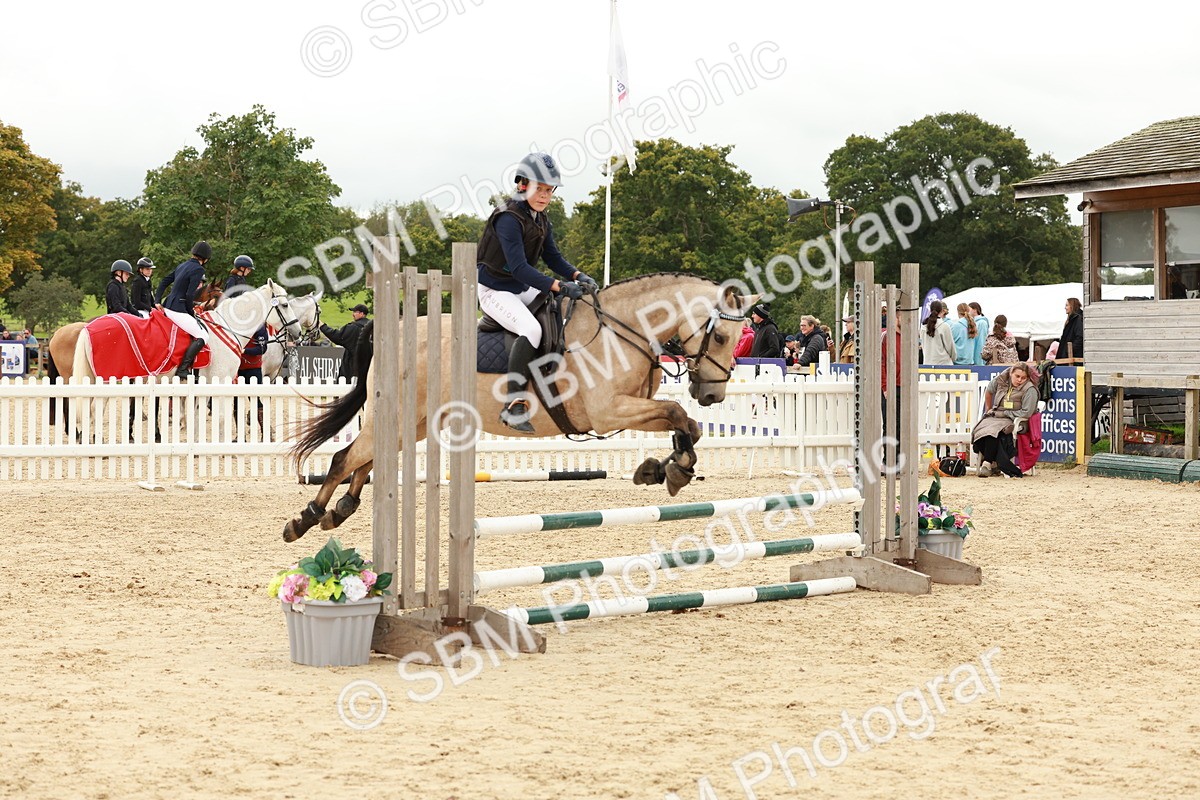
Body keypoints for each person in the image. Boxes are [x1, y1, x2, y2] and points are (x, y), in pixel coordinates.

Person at [476, 152, 594, 433]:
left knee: (563, 309)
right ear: (522, 185)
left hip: (519, 288)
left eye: (548, 190)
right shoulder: (508, 218)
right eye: (538, 188)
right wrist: (557, 285)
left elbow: (553, 258)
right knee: (531, 329)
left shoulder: (541, 219)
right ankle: (513, 403)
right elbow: (518, 268)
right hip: (494, 289)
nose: (544, 195)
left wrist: (577, 276)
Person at [972, 362, 1039, 478]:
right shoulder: (1002, 379)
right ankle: (993, 463)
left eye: (1023, 378)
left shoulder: (1030, 389)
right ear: (1011, 373)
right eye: (1017, 376)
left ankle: (987, 463)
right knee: (982, 428)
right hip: (997, 415)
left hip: (1016, 419)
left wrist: (1007, 413)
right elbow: (989, 390)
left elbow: (1026, 413)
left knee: (994, 431)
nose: (1020, 380)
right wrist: (988, 409)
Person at [159, 241, 212, 379]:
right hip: (178, 309)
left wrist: (157, 300)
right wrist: (191, 312)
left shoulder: (182, 265)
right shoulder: (199, 270)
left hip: (168, 305)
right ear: (205, 259)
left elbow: (165, 281)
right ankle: (182, 369)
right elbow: (189, 294)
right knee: (203, 336)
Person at [320, 304, 370, 382]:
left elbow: (337, 336)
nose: (353, 314)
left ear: (362, 314)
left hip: (352, 365)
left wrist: (322, 326)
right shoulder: (372, 327)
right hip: (368, 365)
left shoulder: (354, 327)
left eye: (355, 312)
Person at [921, 300, 956, 365]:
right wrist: (954, 358)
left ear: (930, 310)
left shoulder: (923, 327)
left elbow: (923, 345)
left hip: (928, 363)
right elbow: (950, 347)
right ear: (941, 310)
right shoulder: (944, 326)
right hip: (944, 364)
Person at [1057, 297, 1084, 362]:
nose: (1065, 308)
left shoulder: (1078, 319)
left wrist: (1069, 351)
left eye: (1067, 305)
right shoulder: (1072, 319)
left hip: (1073, 356)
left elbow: (1079, 337)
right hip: (1068, 356)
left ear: (1072, 306)